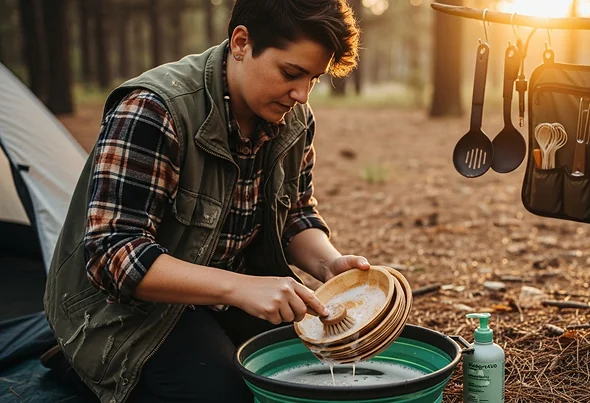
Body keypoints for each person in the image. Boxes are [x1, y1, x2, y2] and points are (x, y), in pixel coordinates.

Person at [42, 1, 366, 402]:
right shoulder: (153, 109)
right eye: (291, 73)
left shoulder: (293, 117)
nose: (301, 95)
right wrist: (239, 288)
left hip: (221, 295)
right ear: (242, 42)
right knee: (225, 392)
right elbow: (113, 255)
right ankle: (77, 360)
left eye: (314, 79)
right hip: (122, 313)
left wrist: (329, 264)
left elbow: (296, 214)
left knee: (320, 367)